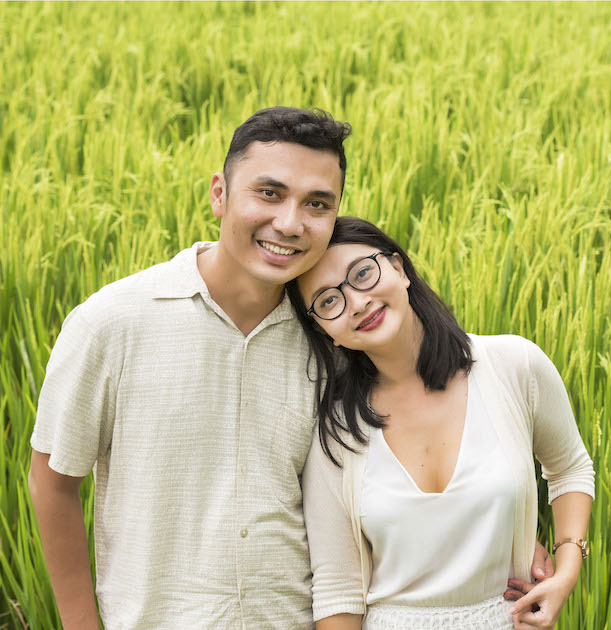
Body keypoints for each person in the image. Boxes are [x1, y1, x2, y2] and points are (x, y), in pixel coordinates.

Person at [27, 106, 552, 630]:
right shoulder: (112, 323)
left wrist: (509, 530)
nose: (289, 222)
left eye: (317, 203)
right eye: (269, 193)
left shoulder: (336, 334)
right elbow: (52, 483)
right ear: (219, 194)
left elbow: (406, 452)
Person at [286, 216, 595, 629]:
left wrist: (568, 567)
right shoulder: (337, 430)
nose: (356, 302)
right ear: (325, 331)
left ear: (398, 268)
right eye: (328, 301)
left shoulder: (513, 365)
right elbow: (337, 587)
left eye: (362, 274)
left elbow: (569, 467)